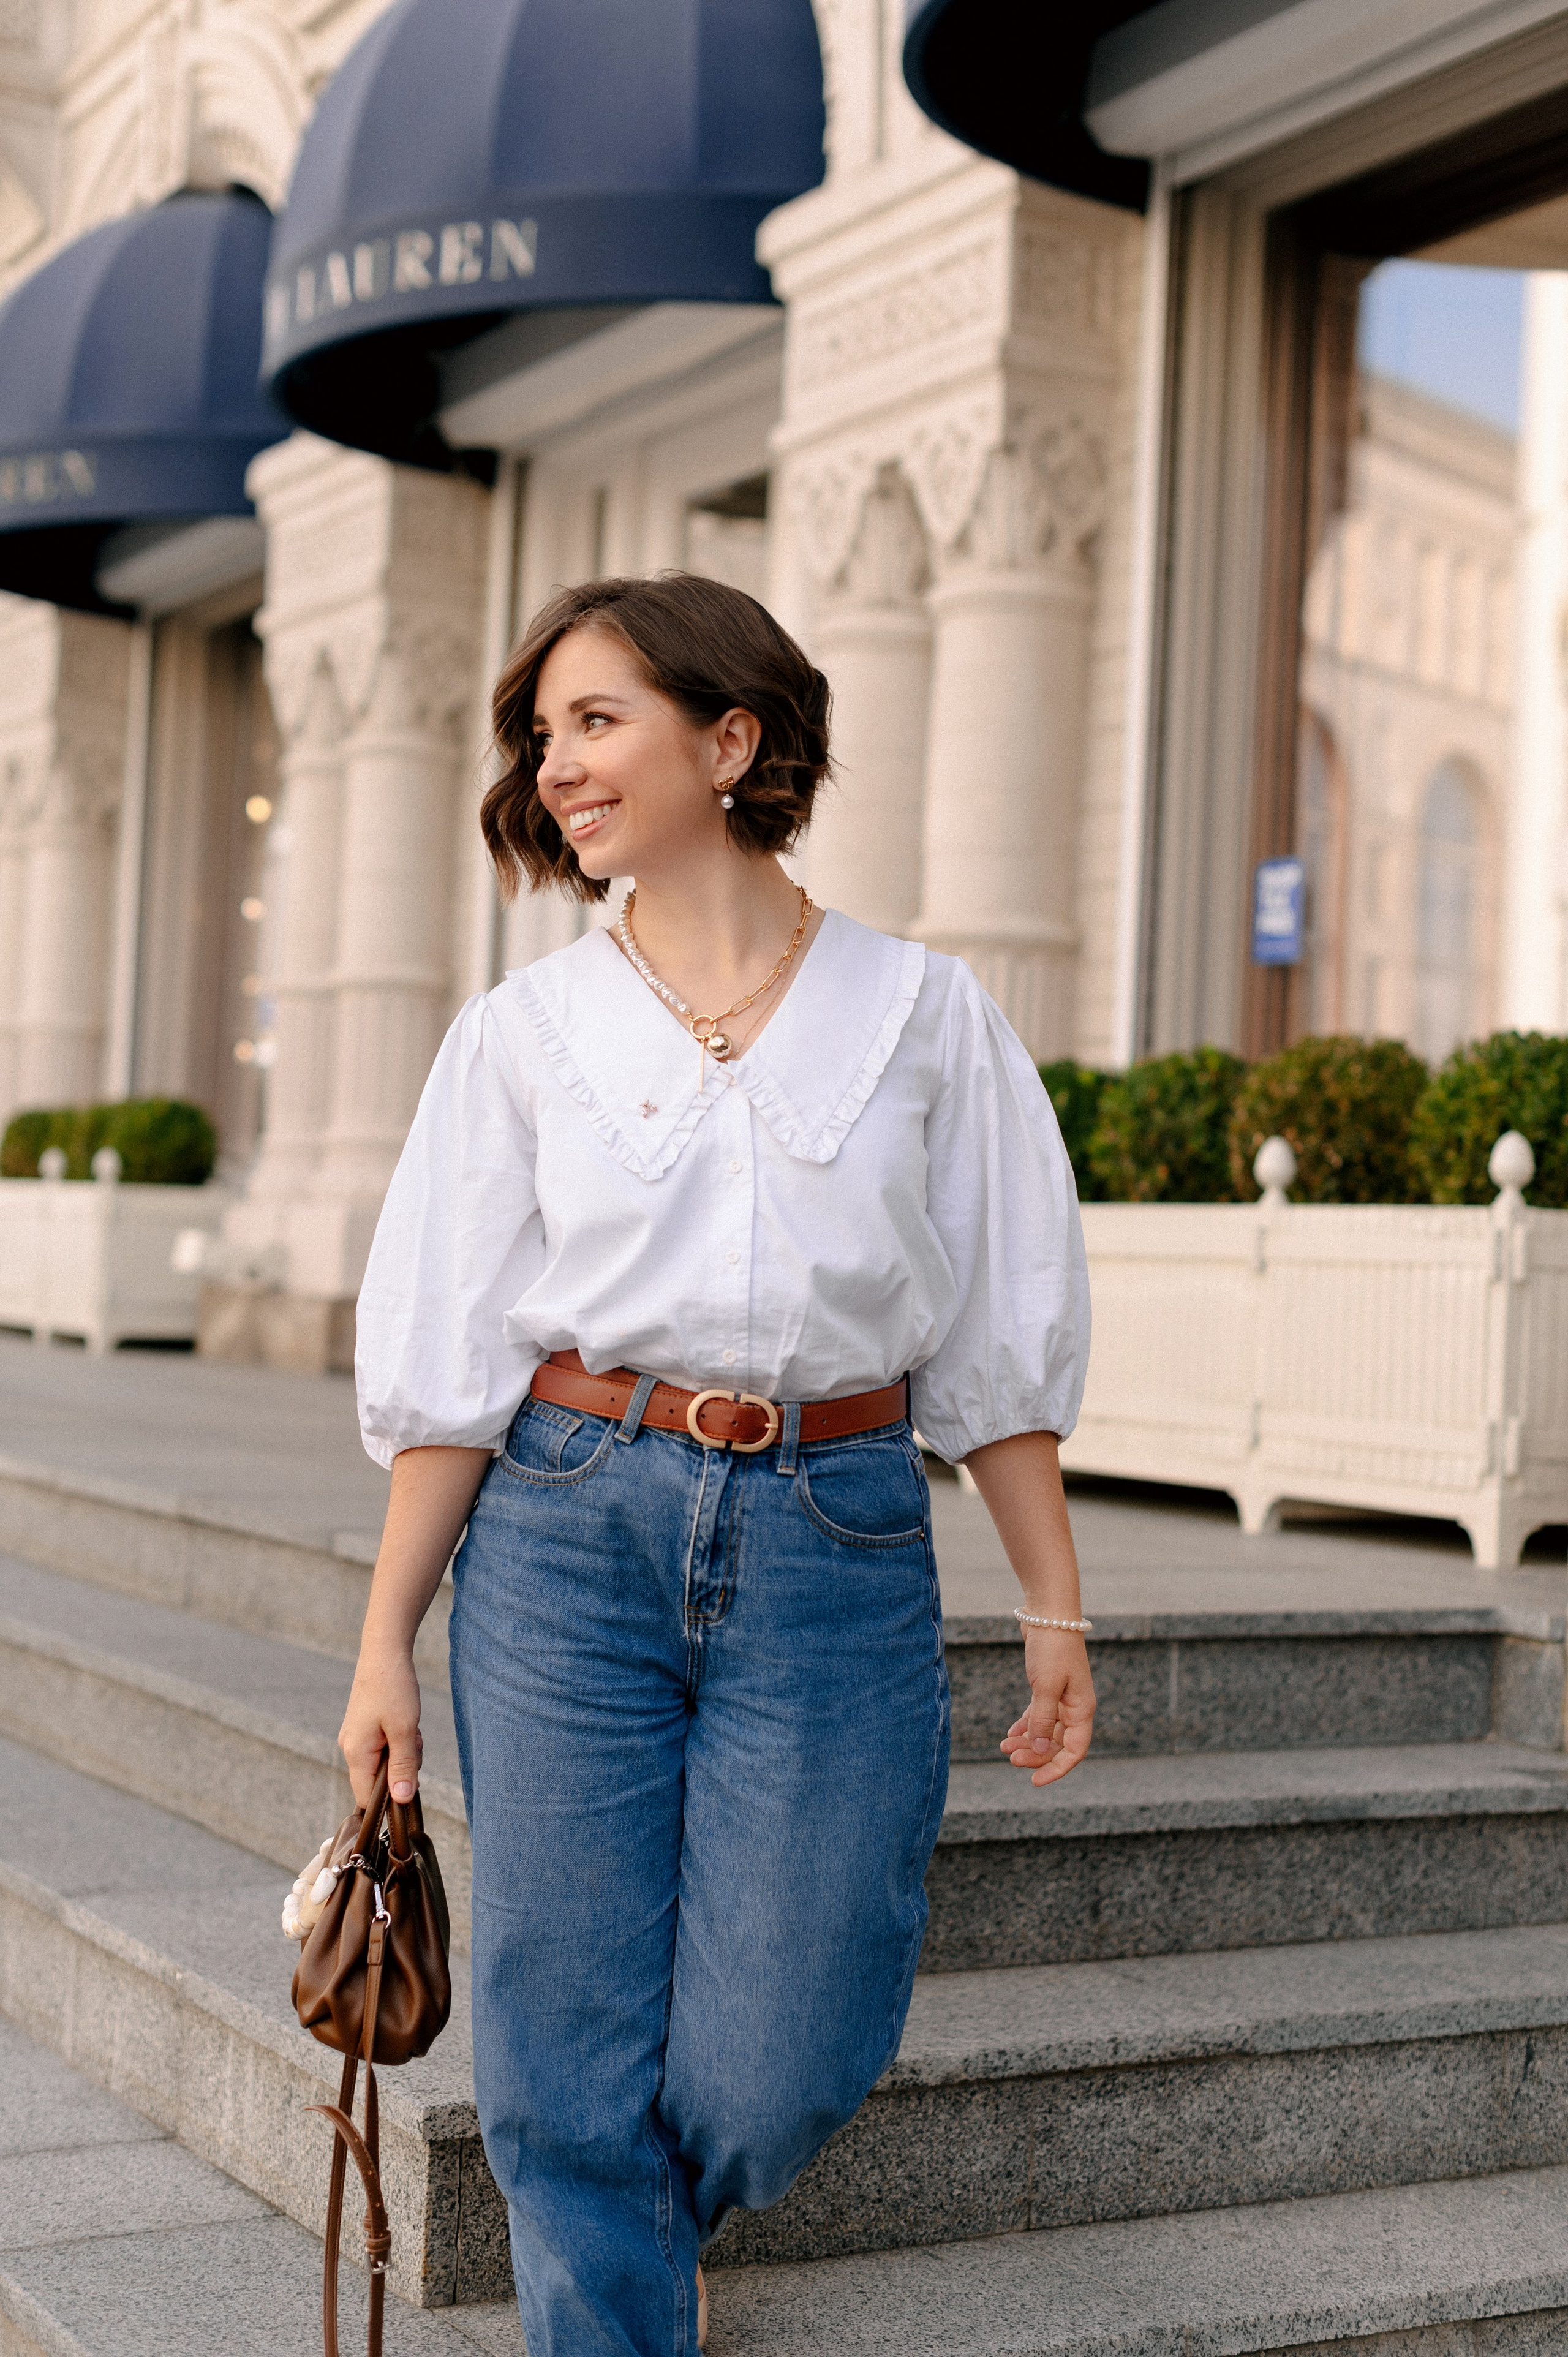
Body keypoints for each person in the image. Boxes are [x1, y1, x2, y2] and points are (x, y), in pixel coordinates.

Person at [341, 571, 1093, 2357]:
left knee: (784, 2047)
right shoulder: (521, 1036)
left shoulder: (926, 1016)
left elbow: (997, 1333)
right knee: (554, 2036)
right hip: (565, 1522)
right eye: (547, 737)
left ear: (730, 738)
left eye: (598, 721)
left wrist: (1053, 1607)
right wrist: (384, 1639)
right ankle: (614, 2302)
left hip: (837, 1529)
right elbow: (458, 1361)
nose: (562, 767)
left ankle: (640, 2234)